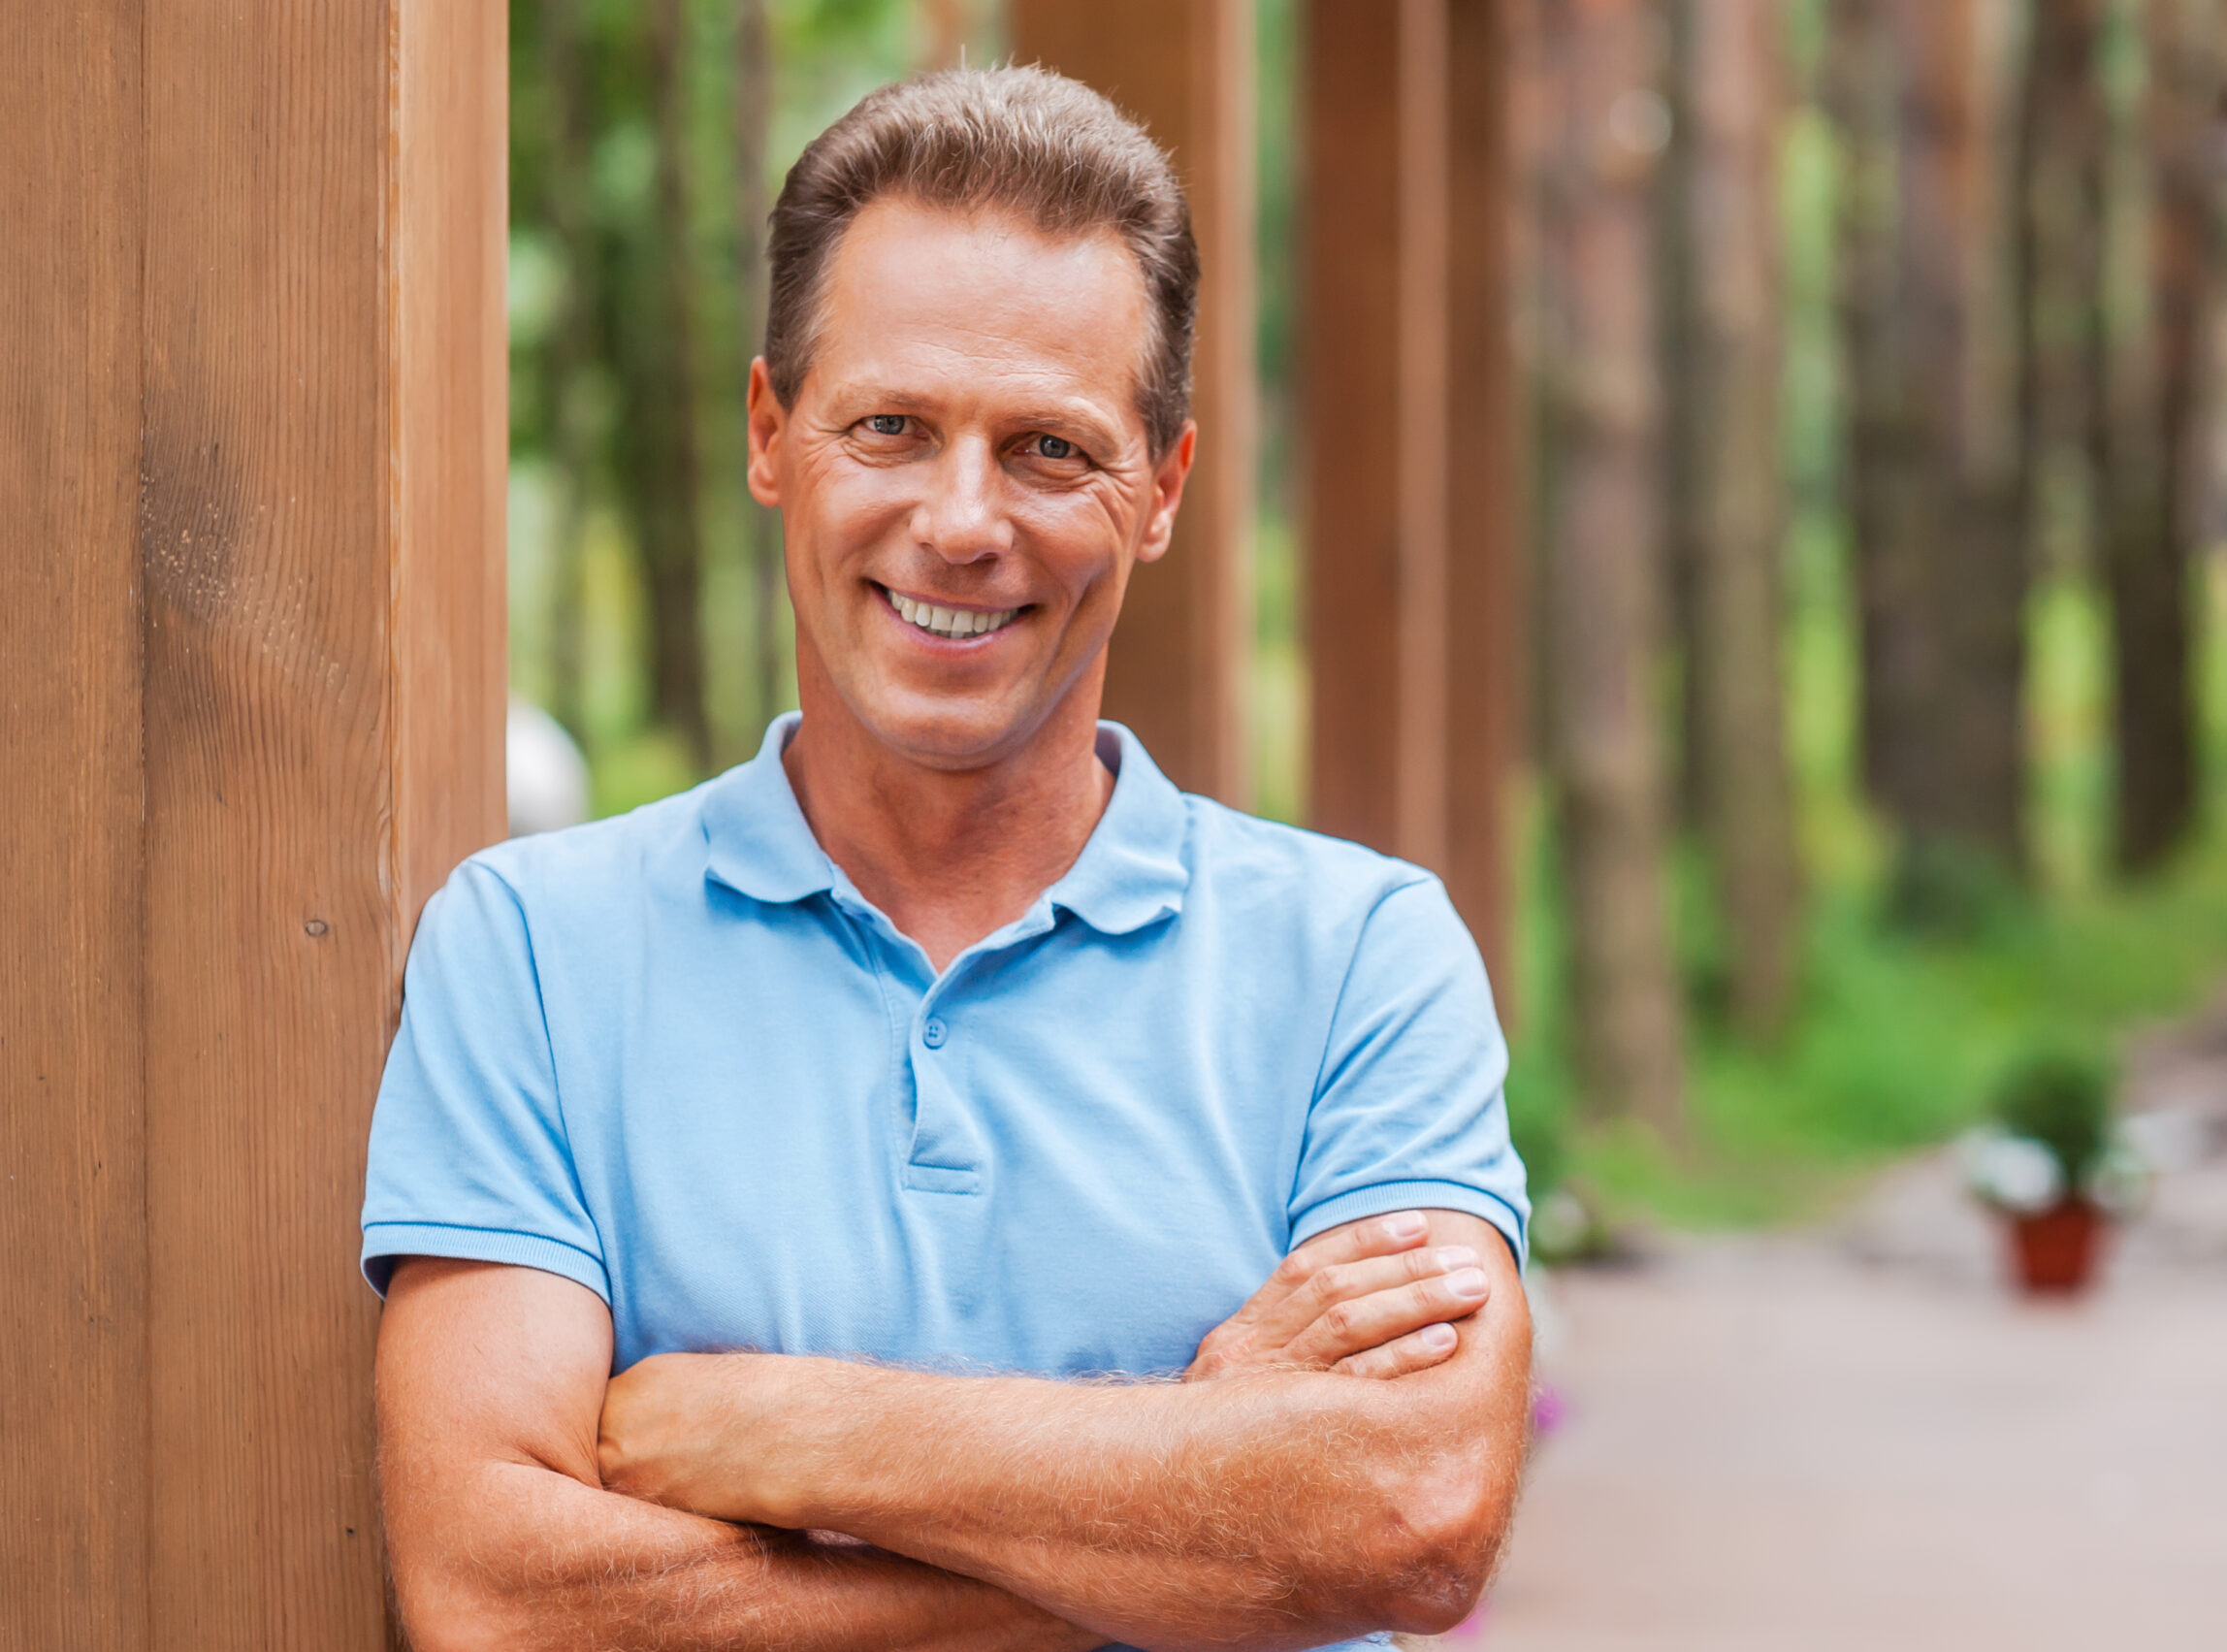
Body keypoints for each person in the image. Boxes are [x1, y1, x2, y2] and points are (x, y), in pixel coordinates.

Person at [364, 66, 1531, 1652]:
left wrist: (767, 1430)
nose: (962, 521)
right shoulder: (528, 950)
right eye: (891, 426)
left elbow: (1408, 1517)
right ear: (775, 435)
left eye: (1051, 449)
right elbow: (495, 1597)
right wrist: (1190, 1505)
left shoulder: (1361, 958)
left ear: (1166, 489)